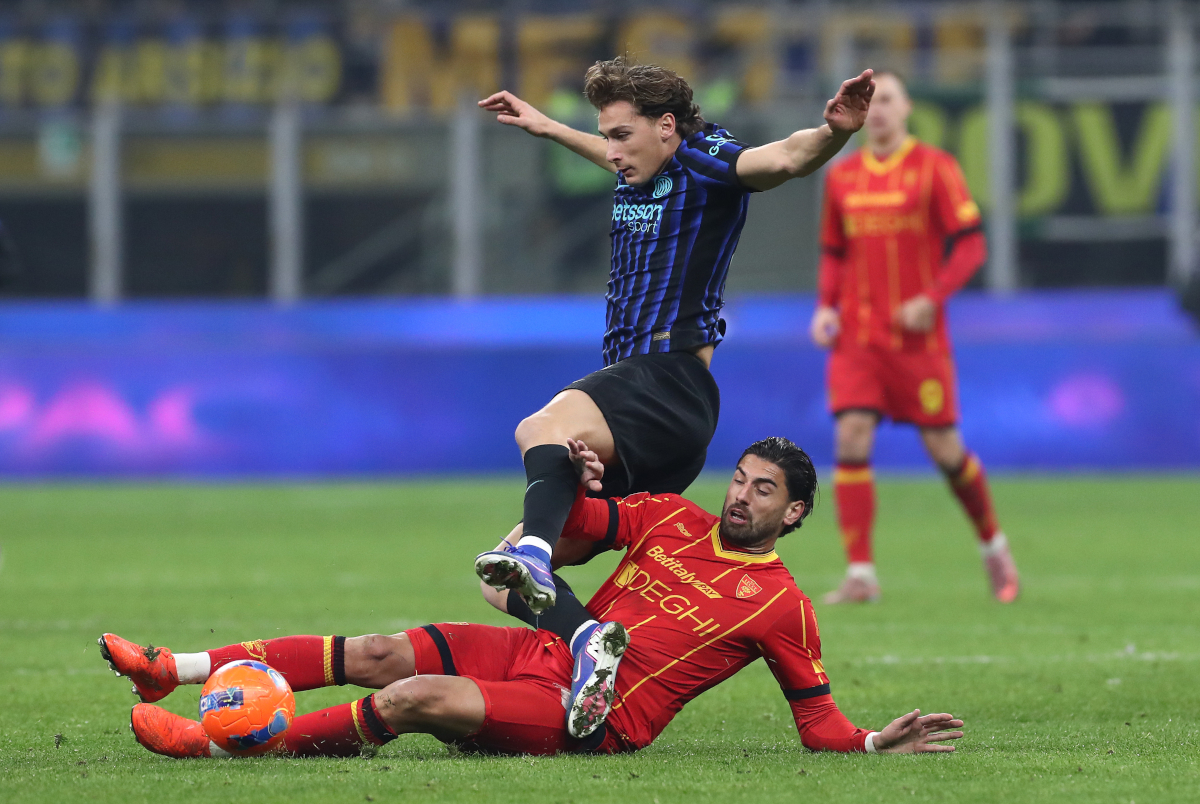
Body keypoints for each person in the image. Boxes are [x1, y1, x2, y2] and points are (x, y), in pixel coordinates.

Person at [102, 438, 964, 760]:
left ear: (796, 513)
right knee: (375, 652)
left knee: (409, 698)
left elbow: (816, 722)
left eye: (763, 491)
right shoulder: (669, 516)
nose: (741, 497)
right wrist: (564, 474)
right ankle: (170, 670)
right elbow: (572, 509)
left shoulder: (784, 607)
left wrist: (872, 745)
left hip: (595, 717)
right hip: (544, 649)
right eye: (739, 480)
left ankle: (221, 745)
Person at [468, 57, 875, 729]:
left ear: (666, 127)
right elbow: (613, 152)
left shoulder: (708, 161)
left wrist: (832, 135)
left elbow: (781, 161)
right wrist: (547, 128)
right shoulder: (639, 164)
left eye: (622, 135)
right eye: (607, 135)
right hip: (658, 426)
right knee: (497, 577)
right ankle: (588, 644)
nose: (613, 150)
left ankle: (539, 555)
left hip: (667, 379)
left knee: (536, 430)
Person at [810, 71, 1019, 605]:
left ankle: (993, 545)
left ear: (906, 110)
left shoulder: (935, 168)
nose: (878, 110)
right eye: (871, 102)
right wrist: (825, 310)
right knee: (851, 438)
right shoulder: (843, 176)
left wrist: (933, 297)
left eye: (889, 100)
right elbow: (834, 251)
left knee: (945, 449)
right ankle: (860, 574)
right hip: (857, 336)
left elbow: (970, 245)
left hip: (916, 341)